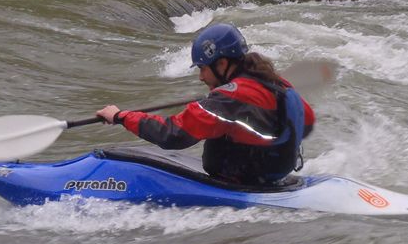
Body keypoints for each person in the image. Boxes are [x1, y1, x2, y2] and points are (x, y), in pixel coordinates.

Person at [96, 23, 315, 185]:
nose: (201, 77)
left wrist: (121, 116)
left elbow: (172, 134)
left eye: (202, 68)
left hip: (243, 179)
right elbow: (307, 122)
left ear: (221, 63)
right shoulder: (276, 83)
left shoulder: (229, 98)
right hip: (273, 175)